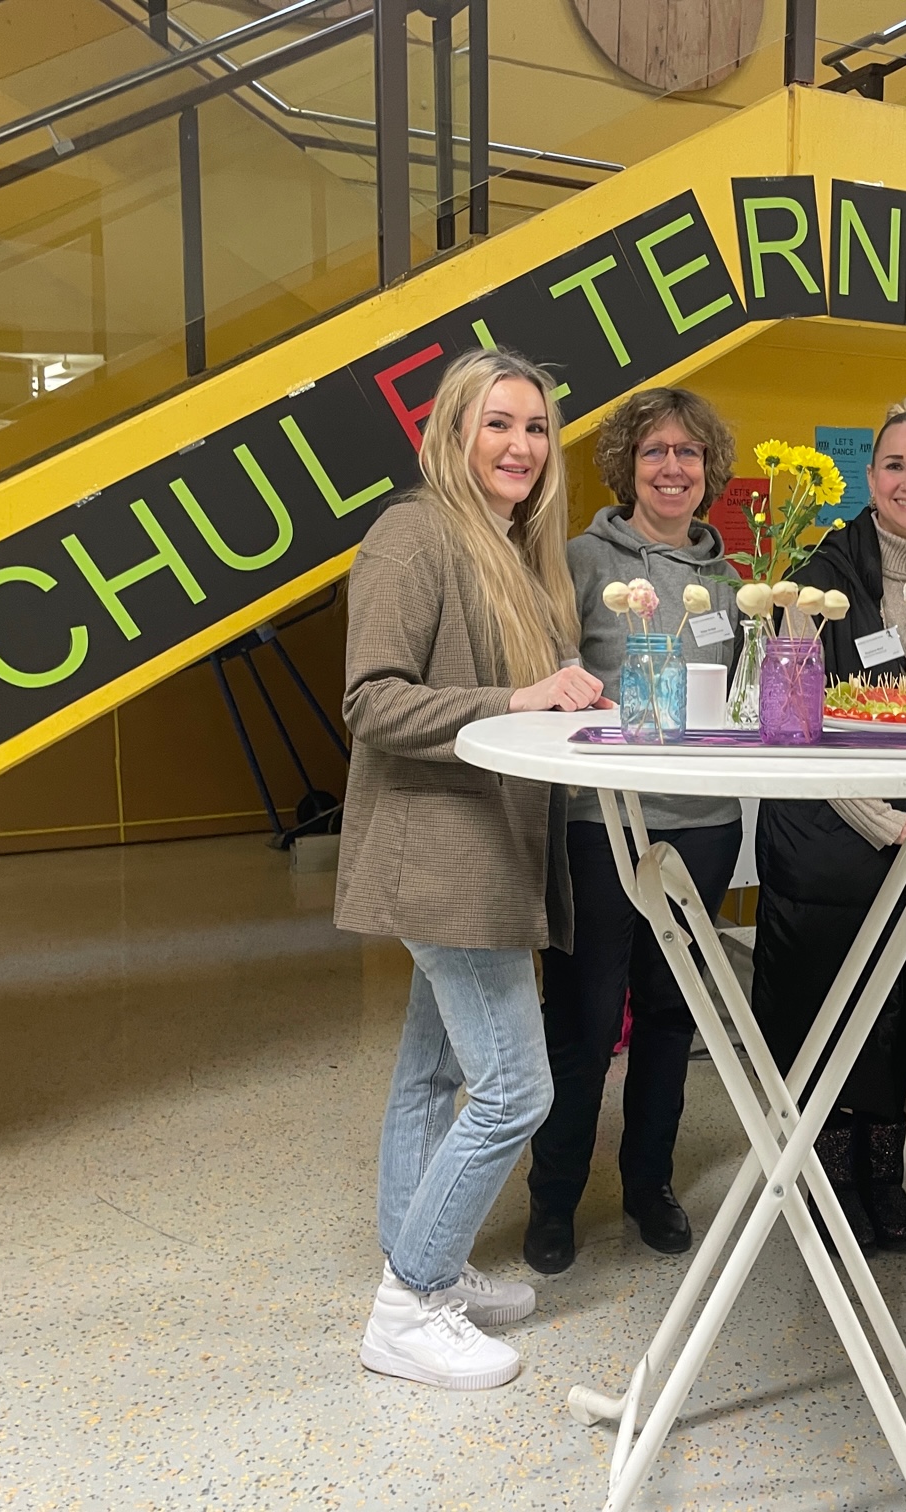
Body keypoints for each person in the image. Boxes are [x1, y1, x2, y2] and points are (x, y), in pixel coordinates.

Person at [338, 347, 606, 1390]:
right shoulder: (415, 535)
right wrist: (516, 704)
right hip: (438, 854)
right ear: (452, 433)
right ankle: (408, 1303)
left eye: (535, 428)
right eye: (497, 424)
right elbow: (372, 701)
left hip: (490, 852)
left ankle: (429, 1271)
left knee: (434, 1073)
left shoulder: (509, 547)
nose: (520, 446)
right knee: (514, 1090)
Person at [523, 388, 743, 1274]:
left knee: (666, 1015)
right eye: (655, 451)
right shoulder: (579, 559)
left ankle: (649, 1183)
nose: (672, 468)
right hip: (597, 823)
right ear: (627, 467)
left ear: (708, 472)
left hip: (705, 824)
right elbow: (544, 662)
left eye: (689, 453)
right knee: (581, 1017)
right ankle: (554, 1197)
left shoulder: (734, 581)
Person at [751, 395, 906, 1255]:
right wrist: (891, 825)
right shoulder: (811, 570)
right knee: (822, 1009)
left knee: (894, 1006)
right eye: (894, 465)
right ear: (869, 477)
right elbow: (795, 721)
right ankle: (828, 1170)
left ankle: (884, 1171)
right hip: (827, 839)